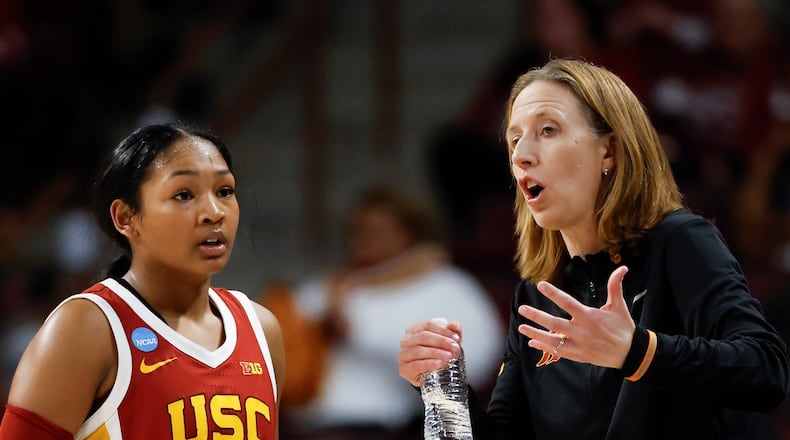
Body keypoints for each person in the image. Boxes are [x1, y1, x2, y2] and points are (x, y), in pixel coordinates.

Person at [397, 58, 790, 439]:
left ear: (609, 151)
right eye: (515, 138)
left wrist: (636, 351)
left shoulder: (679, 242)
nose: (521, 155)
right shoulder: (537, 294)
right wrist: (441, 387)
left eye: (547, 130)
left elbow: (766, 370)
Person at [0, 122, 285, 439]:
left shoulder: (262, 330)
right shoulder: (88, 328)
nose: (214, 212)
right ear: (126, 218)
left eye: (225, 191)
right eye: (184, 194)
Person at [261, 184, 503, 439]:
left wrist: (359, 334)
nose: (363, 240)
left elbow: (475, 362)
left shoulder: (448, 285)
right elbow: (282, 330)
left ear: (408, 233)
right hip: (305, 427)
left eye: (376, 231)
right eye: (357, 231)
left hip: (389, 430)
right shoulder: (334, 284)